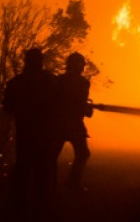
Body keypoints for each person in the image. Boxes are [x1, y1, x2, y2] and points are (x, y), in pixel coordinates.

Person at [2, 48, 57, 217]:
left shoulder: (16, 82)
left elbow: (7, 108)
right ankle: (41, 206)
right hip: (44, 133)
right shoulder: (51, 81)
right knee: (43, 169)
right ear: (40, 61)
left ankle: (18, 206)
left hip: (25, 132)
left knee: (23, 166)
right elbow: (62, 104)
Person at [55, 52, 93, 194]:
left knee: (52, 155)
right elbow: (77, 104)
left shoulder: (59, 81)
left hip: (58, 123)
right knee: (82, 153)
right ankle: (72, 183)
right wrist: (86, 109)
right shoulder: (83, 83)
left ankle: (48, 182)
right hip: (73, 124)